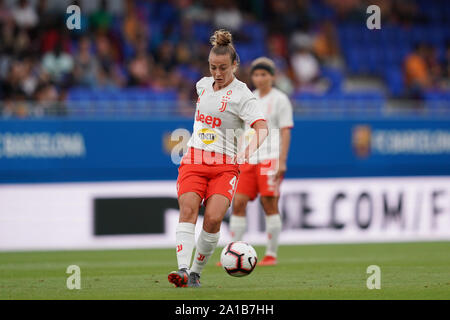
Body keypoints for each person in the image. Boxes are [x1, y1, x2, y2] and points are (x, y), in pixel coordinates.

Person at [168, 29, 268, 288]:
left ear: (235, 65)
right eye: (213, 67)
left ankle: (195, 272)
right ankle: (181, 270)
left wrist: (247, 151)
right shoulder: (202, 85)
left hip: (225, 166)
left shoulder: (243, 95)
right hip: (194, 160)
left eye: (223, 67)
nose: (218, 73)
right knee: (188, 209)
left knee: (212, 219)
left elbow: (262, 128)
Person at [228, 57, 294, 266]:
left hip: (270, 157)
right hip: (249, 158)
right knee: (238, 202)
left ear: (272, 76)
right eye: (256, 74)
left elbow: (285, 131)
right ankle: (234, 251)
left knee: (269, 203)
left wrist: (282, 161)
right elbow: (243, 130)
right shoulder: (249, 99)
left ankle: (271, 254)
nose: (260, 78)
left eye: (264, 74)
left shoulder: (280, 99)